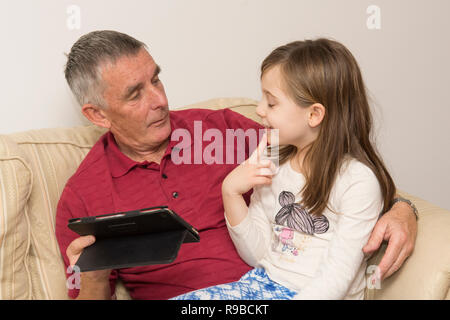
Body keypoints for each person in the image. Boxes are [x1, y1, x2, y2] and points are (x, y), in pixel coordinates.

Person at [56, 30, 418, 300]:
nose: (161, 100)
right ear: (97, 114)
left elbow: (328, 162)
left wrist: (403, 208)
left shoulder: (220, 131)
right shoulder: (84, 196)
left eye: (156, 79)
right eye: (135, 94)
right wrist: (94, 276)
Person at [173, 38, 405, 300]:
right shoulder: (273, 163)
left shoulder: (358, 181)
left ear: (314, 115)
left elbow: (337, 278)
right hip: (261, 286)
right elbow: (258, 256)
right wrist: (231, 192)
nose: (259, 110)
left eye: (272, 103)